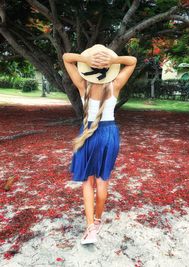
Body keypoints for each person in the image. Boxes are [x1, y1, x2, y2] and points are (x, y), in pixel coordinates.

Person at [62, 44, 137, 245]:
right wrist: (113, 60)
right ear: (109, 70)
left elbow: (66, 57)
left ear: (88, 70)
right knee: (103, 180)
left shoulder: (82, 85)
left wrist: (85, 59)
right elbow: (132, 61)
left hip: (88, 134)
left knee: (88, 182)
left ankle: (90, 229)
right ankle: (97, 220)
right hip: (109, 135)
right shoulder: (117, 84)